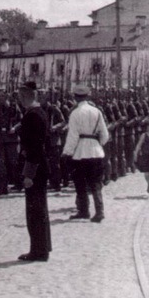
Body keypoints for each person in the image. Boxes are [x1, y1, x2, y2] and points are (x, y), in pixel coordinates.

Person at [62, 85, 109, 223]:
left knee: (80, 183)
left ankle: (84, 211)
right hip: (96, 151)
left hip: (80, 152)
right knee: (96, 183)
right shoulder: (97, 111)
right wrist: (98, 144)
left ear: (75, 97)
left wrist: (67, 152)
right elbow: (104, 134)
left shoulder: (75, 113)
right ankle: (99, 211)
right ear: (88, 96)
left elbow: (73, 136)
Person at [16, 82, 51, 262]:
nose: (20, 99)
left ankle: (38, 251)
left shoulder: (33, 115)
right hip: (38, 166)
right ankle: (42, 247)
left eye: (23, 96)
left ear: (30, 95)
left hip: (35, 168)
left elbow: (35, 147)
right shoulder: (37, 113)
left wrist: (29, 174)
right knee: (39, 209)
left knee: (35, 211)